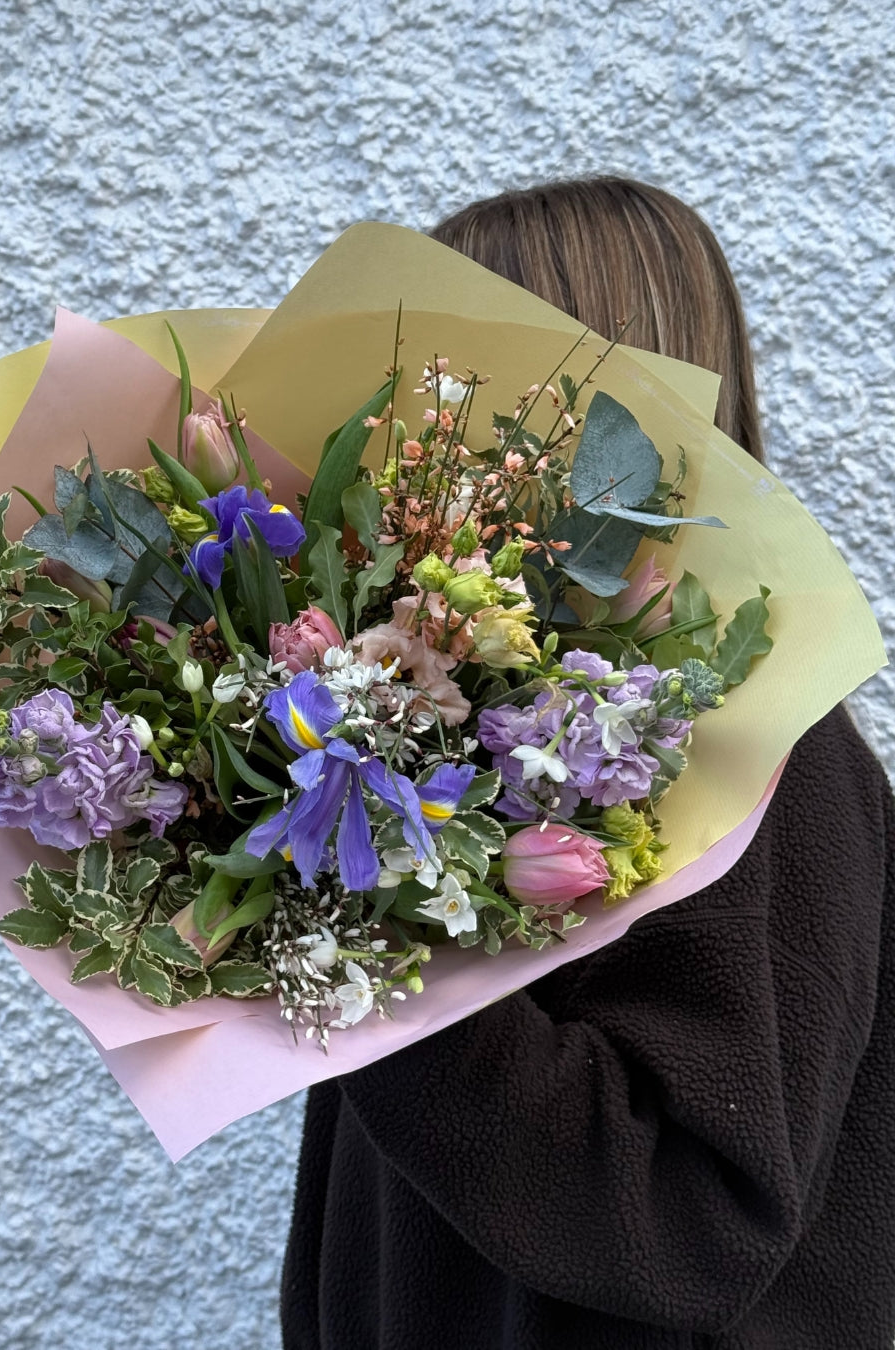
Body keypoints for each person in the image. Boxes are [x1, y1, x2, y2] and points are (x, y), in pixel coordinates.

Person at [279, 179, 895, 1349]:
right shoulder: (471, 738)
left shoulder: (744, 753)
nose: (407, 436)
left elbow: (687, 1222)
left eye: (447, 388)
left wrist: (360, 961)